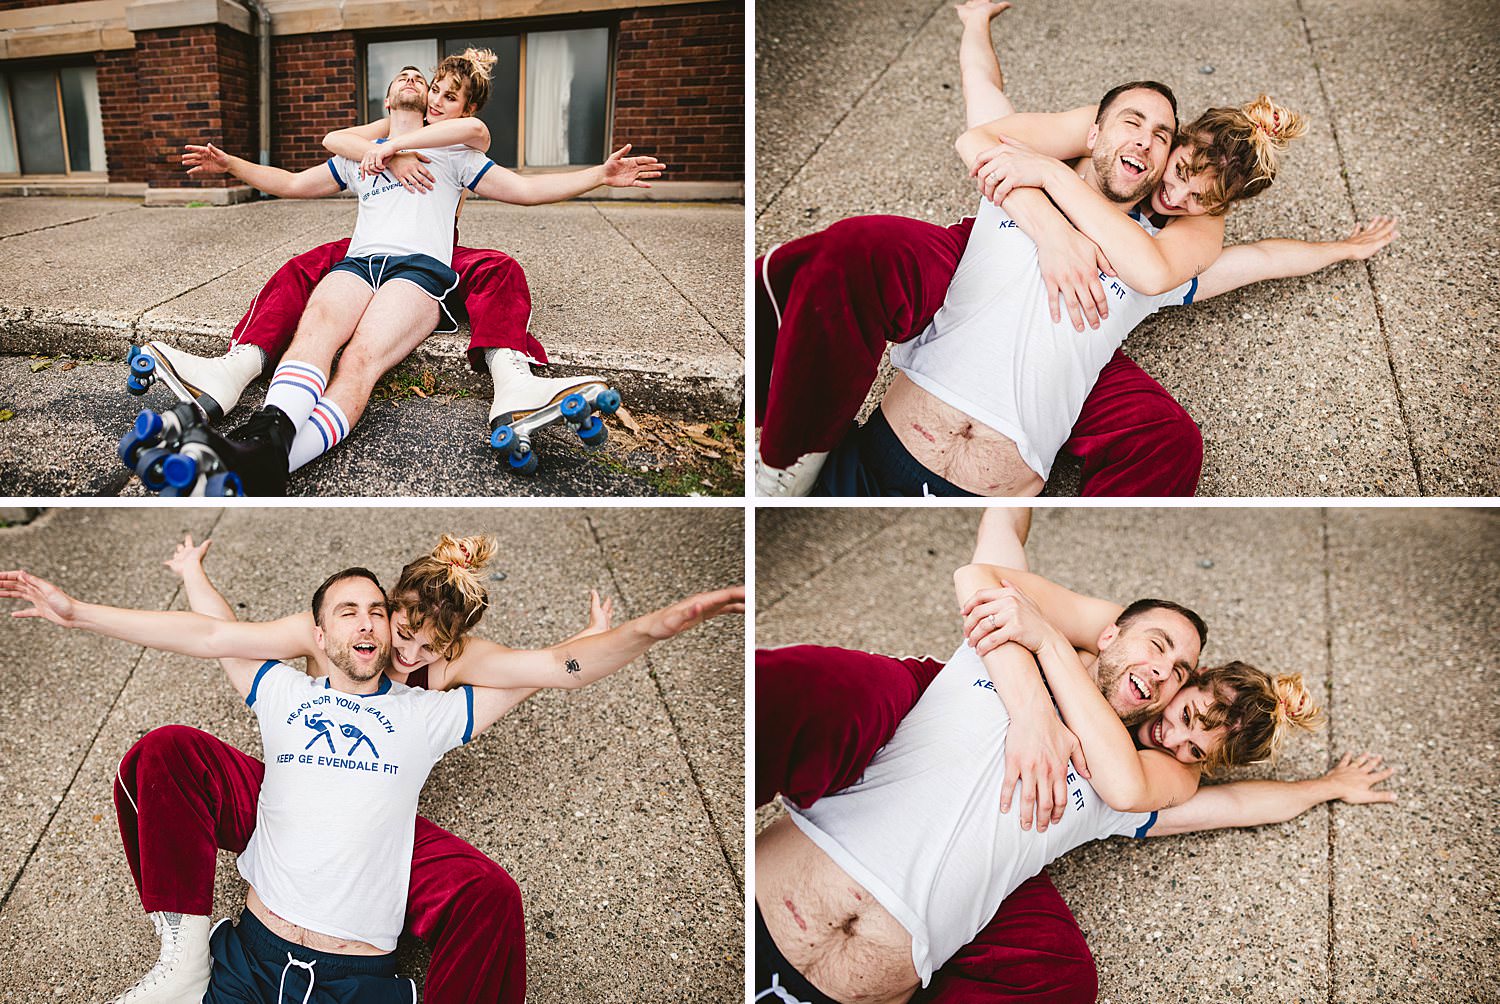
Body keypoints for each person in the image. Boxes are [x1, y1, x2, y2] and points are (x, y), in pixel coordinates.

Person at [0, 548, 743, 1004]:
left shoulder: (429, 710)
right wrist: (80, 612)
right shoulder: (287, 687)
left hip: (360, 982)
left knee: (493, 895)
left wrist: (651, 628)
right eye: (346, 612)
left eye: (377, 612)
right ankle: (180, 961)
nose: (368, 624)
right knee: (163, 748)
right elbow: (210, 633)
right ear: (318, 635)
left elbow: (559, 670)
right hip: (245, 963)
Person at [754, 1, 1396, 496]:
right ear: (1100, 132)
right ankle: (788, 451)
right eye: (1155, 148)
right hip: (872, 459)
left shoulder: (1164, 254)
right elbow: (983, 99)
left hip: (993, 489)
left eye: (1196, 195)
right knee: (864, 245)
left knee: (1173, 440)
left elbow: (1258, 261)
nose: (1171, 189)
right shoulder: (1019, 173)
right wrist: (975, 20)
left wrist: (1338, 250)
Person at [754, 509, 1392, 1002]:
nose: (1174, 736)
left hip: (869, 979)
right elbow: (996, 541)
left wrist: (1325, 787)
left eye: (1194, 746)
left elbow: (1229, 804)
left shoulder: (1139, 781)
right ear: (1112, 631)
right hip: (762, 904)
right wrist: (1036, 697)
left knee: (1065, 981)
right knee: (809, 684)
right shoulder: (1012, 643)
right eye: (1186, 712)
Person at [172, 57, 664, 494]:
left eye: (422, 77)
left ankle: (265, 463)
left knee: (360, 359)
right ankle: (262, 444)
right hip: (359, 263)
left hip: (420, 270)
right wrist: (231, 164)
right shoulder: (361, 152)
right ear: (391, 101)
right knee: (314, 335)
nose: (415, 79)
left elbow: (526, 189)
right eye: (408, 79)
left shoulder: (456, 153)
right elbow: (294, 183)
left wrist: (598, 176)